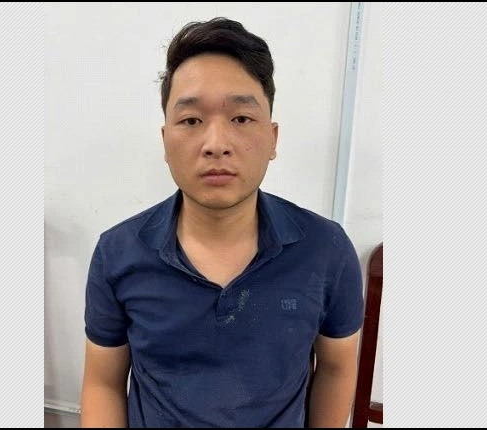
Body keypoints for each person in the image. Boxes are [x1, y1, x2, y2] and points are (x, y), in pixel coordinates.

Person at [80, 17, 364, 428]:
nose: (216, 144)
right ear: (165, 141)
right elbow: (103, 382)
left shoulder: (326, 250)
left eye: (241, 118)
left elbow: (337, 368)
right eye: (191, 120)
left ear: (273, 138)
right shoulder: (117, 253)